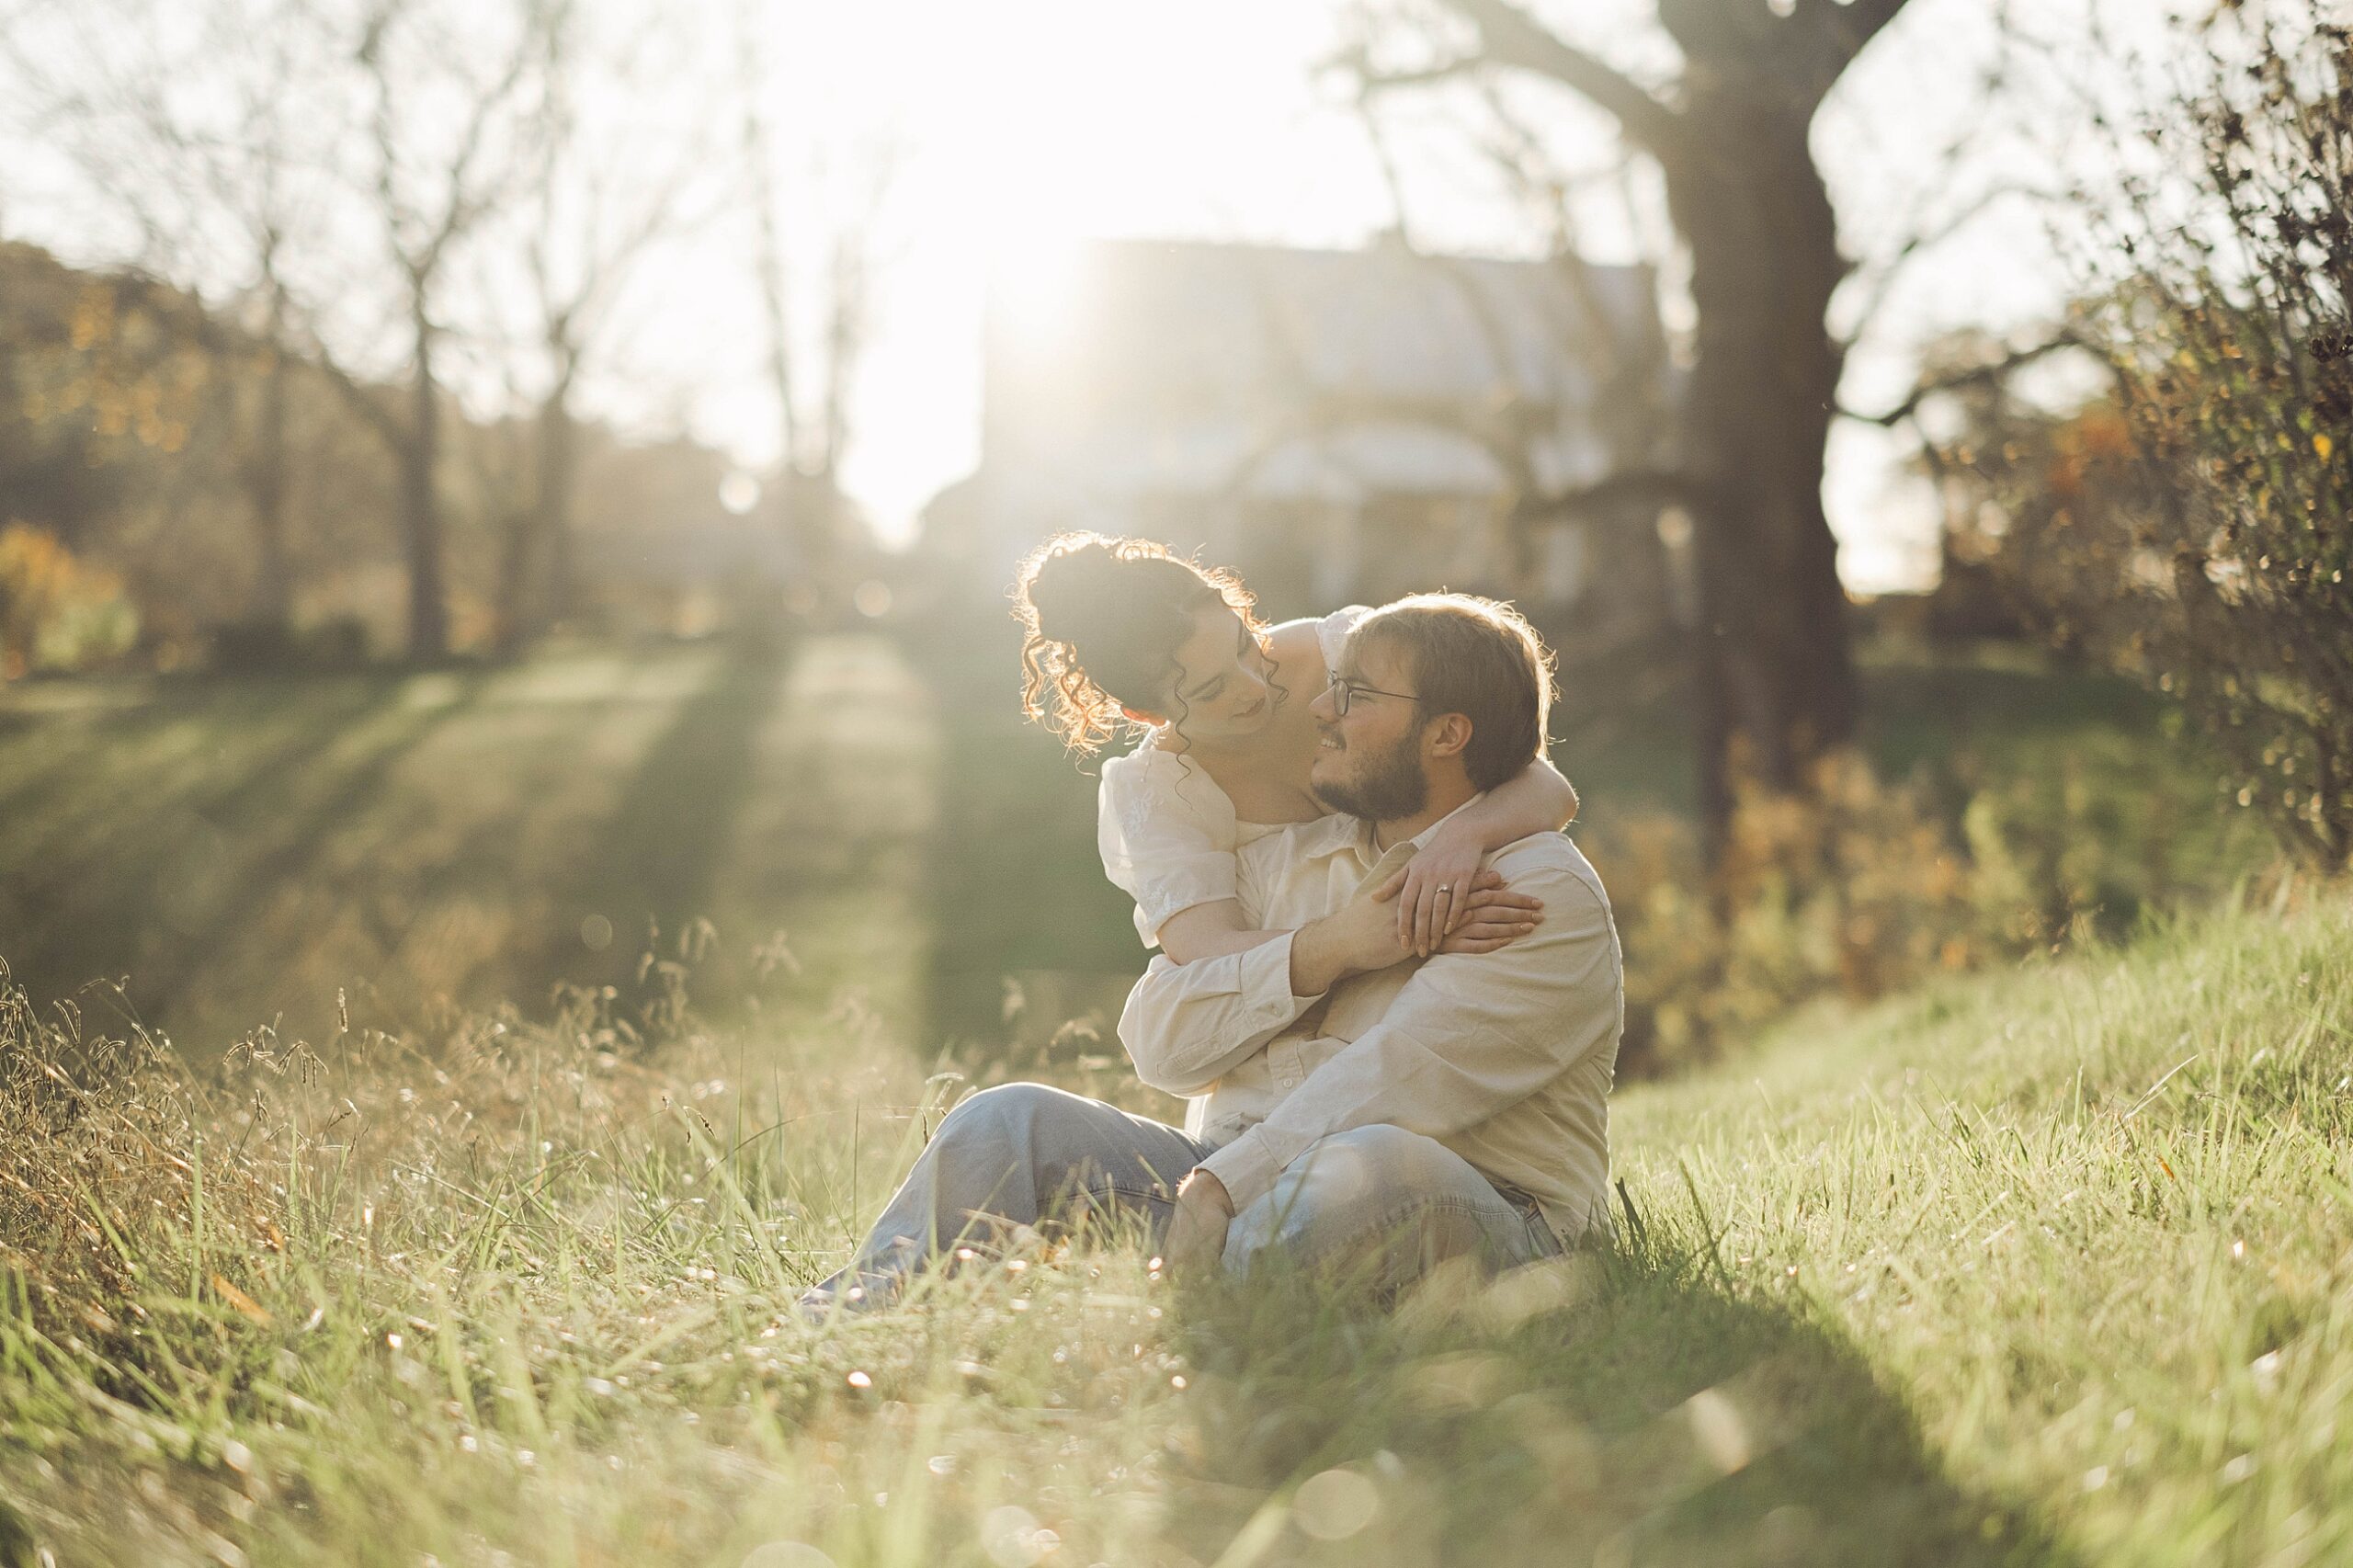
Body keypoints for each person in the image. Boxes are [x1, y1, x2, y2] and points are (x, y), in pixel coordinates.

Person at [799, 592, 1621, 1310]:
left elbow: (1399, 1082)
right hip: (1228, 1183)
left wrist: (1224, 1185)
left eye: (1357, 694)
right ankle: (849, 1322)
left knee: (1367, 1164)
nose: (1320, 710)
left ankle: (1168, 1339)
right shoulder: (1293, 859)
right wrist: (1327, 954)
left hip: (1482, 1210)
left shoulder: (1538, 891)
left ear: (1447, 734)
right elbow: (1162, 1038)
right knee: (1004, 1119)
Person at [1014, 532, 1579, 962]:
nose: (1254, 686)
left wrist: (1462, 837)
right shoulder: (1157, 791)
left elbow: (1546, 786)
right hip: (1311, 1013)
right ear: (1142, 714)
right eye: (1213, 690)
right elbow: (1207, 951)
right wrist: (1380, 939)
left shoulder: (1340, 652)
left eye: (1245, 646)